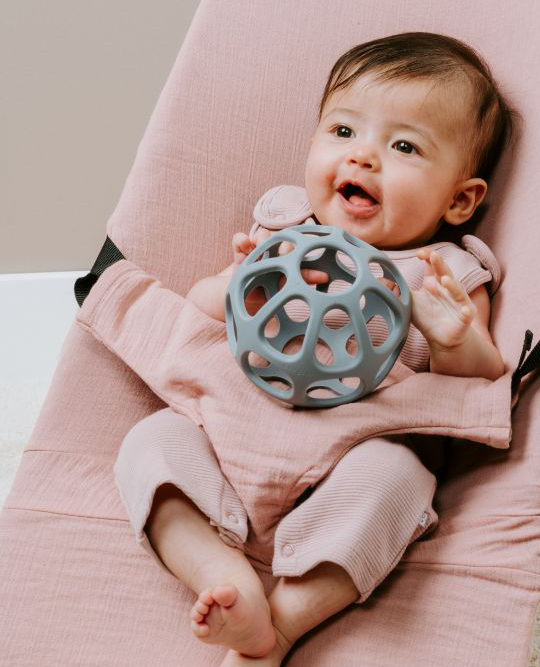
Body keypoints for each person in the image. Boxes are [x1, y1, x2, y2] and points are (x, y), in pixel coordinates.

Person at [112, 31, 516, 666]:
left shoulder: (445, 274)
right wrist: (237, 283)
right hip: (234, 430)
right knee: (150, 444)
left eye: (404, 146)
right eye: (344, 131)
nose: (362, 157)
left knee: (398, 480)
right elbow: (201, 311)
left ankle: (281, 624)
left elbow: (478, 388)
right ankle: (223, 575)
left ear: (460, 199)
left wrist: (454, 339)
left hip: (350, 456)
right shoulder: (285, 232)